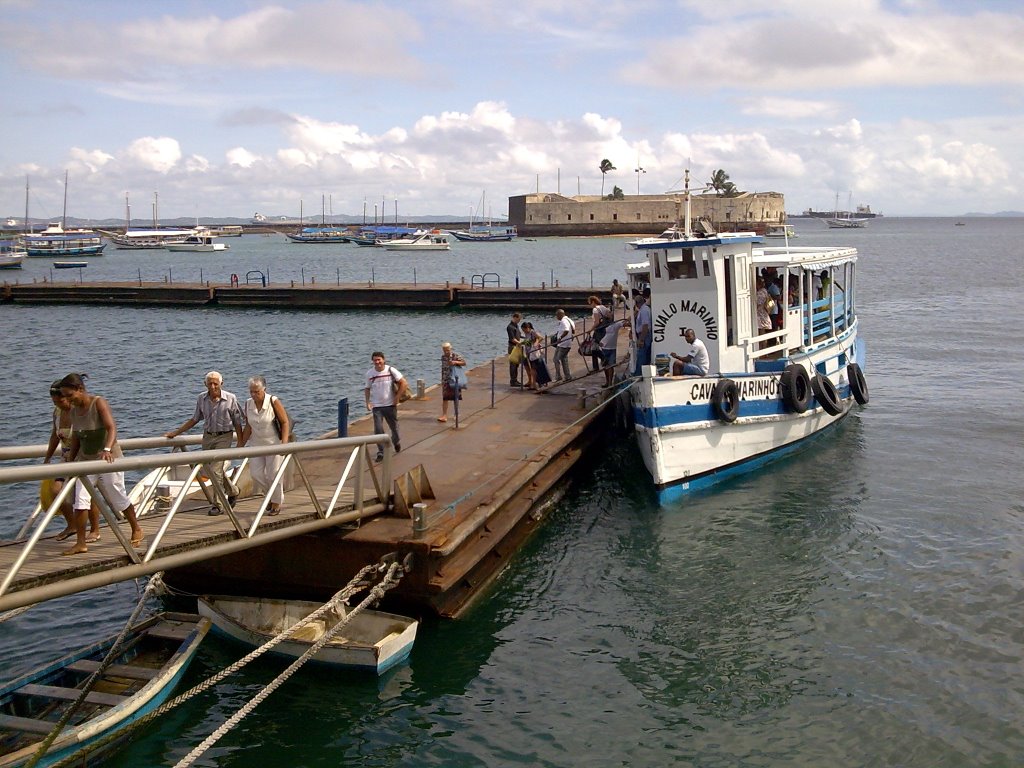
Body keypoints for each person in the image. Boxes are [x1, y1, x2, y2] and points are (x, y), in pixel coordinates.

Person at [58, 373, 144, 556]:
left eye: (69, 395)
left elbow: (111, 427)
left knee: (117, 497)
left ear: (80, 390)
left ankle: (136, 527)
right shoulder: (73, 411)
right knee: (80, 502)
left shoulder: (98, 403)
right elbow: (76, 439)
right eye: (64, 396)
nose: (67, 400)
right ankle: (80, 543)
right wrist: (71, 462)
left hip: (107, 459)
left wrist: (107, 448)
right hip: (86, 461)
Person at [165, 371, 244, 516]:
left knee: (215, 471)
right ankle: (233, 491)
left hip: (224, 437)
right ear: (205, 384)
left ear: (221, 383)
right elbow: (195, 419)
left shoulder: (231, 398)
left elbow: (237, 422)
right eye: (210, 383)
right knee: (212, 471)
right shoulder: (201, 398)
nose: (213, 386)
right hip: (208, 437)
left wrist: (240, 442)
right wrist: (176, 433)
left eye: (215, 383)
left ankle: (218, 505)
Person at [42, 380, 98, 542]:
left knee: (85, 493)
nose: (58, 404)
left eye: (60, 400)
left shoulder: (78, 412)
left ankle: (95, 528)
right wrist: (48, 457)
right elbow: (54, 435)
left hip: (82, 457)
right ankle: (72, 524)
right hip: (66, 457)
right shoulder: (57, 413)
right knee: (55, 490)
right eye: (54, 402)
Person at [238, 375, 289, 515]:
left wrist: (284, 444)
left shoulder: (273, 401)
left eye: (257, 392)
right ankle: (272, 497)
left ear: (264, 389)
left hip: (273, 443)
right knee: (256, 474)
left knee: (274, 475)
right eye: (251, 392)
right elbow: (248, 426)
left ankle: (276, 503)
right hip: (256, 444)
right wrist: (240, 444)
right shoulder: (248, 403)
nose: (254, 395)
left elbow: (284, 422)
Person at [364, 352, 407, 462]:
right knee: (378, 429)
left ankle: (396, 442)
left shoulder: (390, 370)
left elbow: (403, 383)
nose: (377, 362)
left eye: (379, 360)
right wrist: (368, 402)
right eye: (375, 360)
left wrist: (397, 398)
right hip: (377, 406)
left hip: (390, 405)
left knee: (394, 428)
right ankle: (381, 451)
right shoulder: (370, 373)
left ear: (384, 360)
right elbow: (367, 388)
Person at [598, 317, 630, 387]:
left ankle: (609, 383)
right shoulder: (601, 326)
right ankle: (607, 382)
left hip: (612, 348)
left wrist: (632, 316)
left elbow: (625, 323)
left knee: (610, 366)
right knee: (605, 366)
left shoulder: (615, 325)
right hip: (603, 348)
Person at [438, 342, 466, 423]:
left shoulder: (455, 355)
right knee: (445, 398)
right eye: (444, 350)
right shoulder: (443, 357)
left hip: (454, 379)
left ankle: (456, 413)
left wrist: (455, 362)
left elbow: (464, 363)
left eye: (447, 350)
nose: (446, 352)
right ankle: (444, 415)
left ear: (450, 349)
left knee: (455, 397)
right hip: (445, 379)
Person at [521, 322, 551, 391]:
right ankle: (533, 383)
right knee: (531, 367)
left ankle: (534, 384)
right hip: (529, 353)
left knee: (533, 368)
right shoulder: (527, 333)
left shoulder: (532, 332)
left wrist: (536, 343)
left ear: (528, 328)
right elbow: (528, 341)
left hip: (534, 353)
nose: (523, 331)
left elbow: (540, 338)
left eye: (524, 330)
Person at [587, 295, 612, 372]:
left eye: (590, 303)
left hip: (598, 330)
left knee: (594, 348)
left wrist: (590, 330)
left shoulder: (595, 310)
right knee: (596, 347)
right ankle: (598, 364)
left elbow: (597, 322)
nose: (590, 305)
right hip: (604, 329)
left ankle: (603, 360)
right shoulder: (603, 307)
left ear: (593, 302)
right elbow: (610, 316)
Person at [552, 309, 575, 382]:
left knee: (556, 359)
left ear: (559, 314)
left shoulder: (563, 321)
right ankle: (568, 376)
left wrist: (560, 338)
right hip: (567, 343)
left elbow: (566, 330)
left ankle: (558, 376)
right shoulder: (569, 320)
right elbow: (573, 330)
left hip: (563, 344)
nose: (556, 317)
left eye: (557, 315)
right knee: (564, 359)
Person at [633, 294, 652, 374]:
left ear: (637, 303)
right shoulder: (645, 309)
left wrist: (641, 339)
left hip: (644, 335)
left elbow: (645, 325)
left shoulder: (644, 310)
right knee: (644, 356)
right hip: (644, 335)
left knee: (641, 356)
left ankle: (638, 374)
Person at [506, 312, 523, 387]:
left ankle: (515, 380)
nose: (519, 321)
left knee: (516, 364)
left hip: (517, 346)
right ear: (515, 317)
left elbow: (519, 335)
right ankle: (513, 381)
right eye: (518, 319)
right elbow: (512, 339)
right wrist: (520, 343)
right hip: (513, 347)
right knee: (513, 364)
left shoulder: (516, 326)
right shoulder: (510, 327)